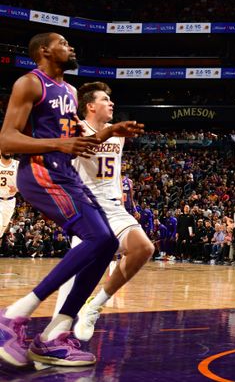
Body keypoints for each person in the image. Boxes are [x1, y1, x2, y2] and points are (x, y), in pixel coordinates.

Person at [0, 32, 142, 368]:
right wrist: (58, 145)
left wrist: (108, 132)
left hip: (64, 174)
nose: (71, 47)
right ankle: (13, 317)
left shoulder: (70, 91)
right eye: (64, 43)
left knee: (106, 243)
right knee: (97, 237)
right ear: (45, 51)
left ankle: (54, 334)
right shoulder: (30, 84)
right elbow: (6, 140)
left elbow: (78, 143)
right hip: (39, 173)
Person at [53, 82, 155, 342]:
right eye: (105, 99)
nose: (111, 104)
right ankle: (56, 335)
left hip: (114, 207)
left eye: (111, 100)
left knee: (144, 248)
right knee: (73, 281)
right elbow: (81, 145)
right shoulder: (77, 128)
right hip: (87, 210)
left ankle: (95, 305)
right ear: (90, 106)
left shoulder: (118, 134)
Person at [0, 149, 19, 235]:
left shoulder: (18, 165)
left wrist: (17, 189)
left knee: (3, 227)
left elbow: (27, 183)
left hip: (10, 201)